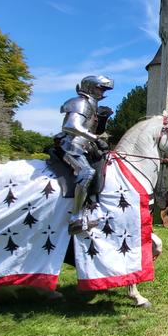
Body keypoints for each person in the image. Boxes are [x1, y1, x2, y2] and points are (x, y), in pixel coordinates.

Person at [55, 75, 114, 234]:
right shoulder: (81, 103)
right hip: (71, 145)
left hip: (86, 147)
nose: (102, 92)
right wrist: (95, 138)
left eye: (103, 89)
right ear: (89, 87)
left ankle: (91, 207)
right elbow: (71, 126)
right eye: (99, 88)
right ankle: (76, 218)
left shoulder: (92, 106)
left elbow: (93, 130)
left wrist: (102, 120)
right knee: (87, 172)